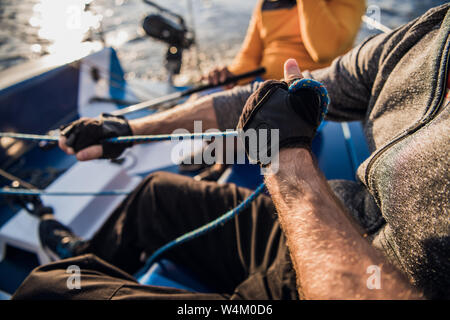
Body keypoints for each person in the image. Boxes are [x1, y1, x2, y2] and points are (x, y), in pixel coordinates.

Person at [13, 3, 449, 299]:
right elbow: (243, 90)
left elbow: (320, 49)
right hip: (325, 212)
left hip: (327, 280)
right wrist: (125, 128)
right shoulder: (421, 38)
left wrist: (287, 158)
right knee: (153, 196)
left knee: (47, 290)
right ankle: (85, 258)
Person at [206, 0, 366, 86]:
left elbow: (324, 51)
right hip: (266, 86)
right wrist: (231, 75)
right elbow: (249, 56)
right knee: (196, 103)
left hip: (312, 90)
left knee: (227, 140)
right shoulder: (265, 3)